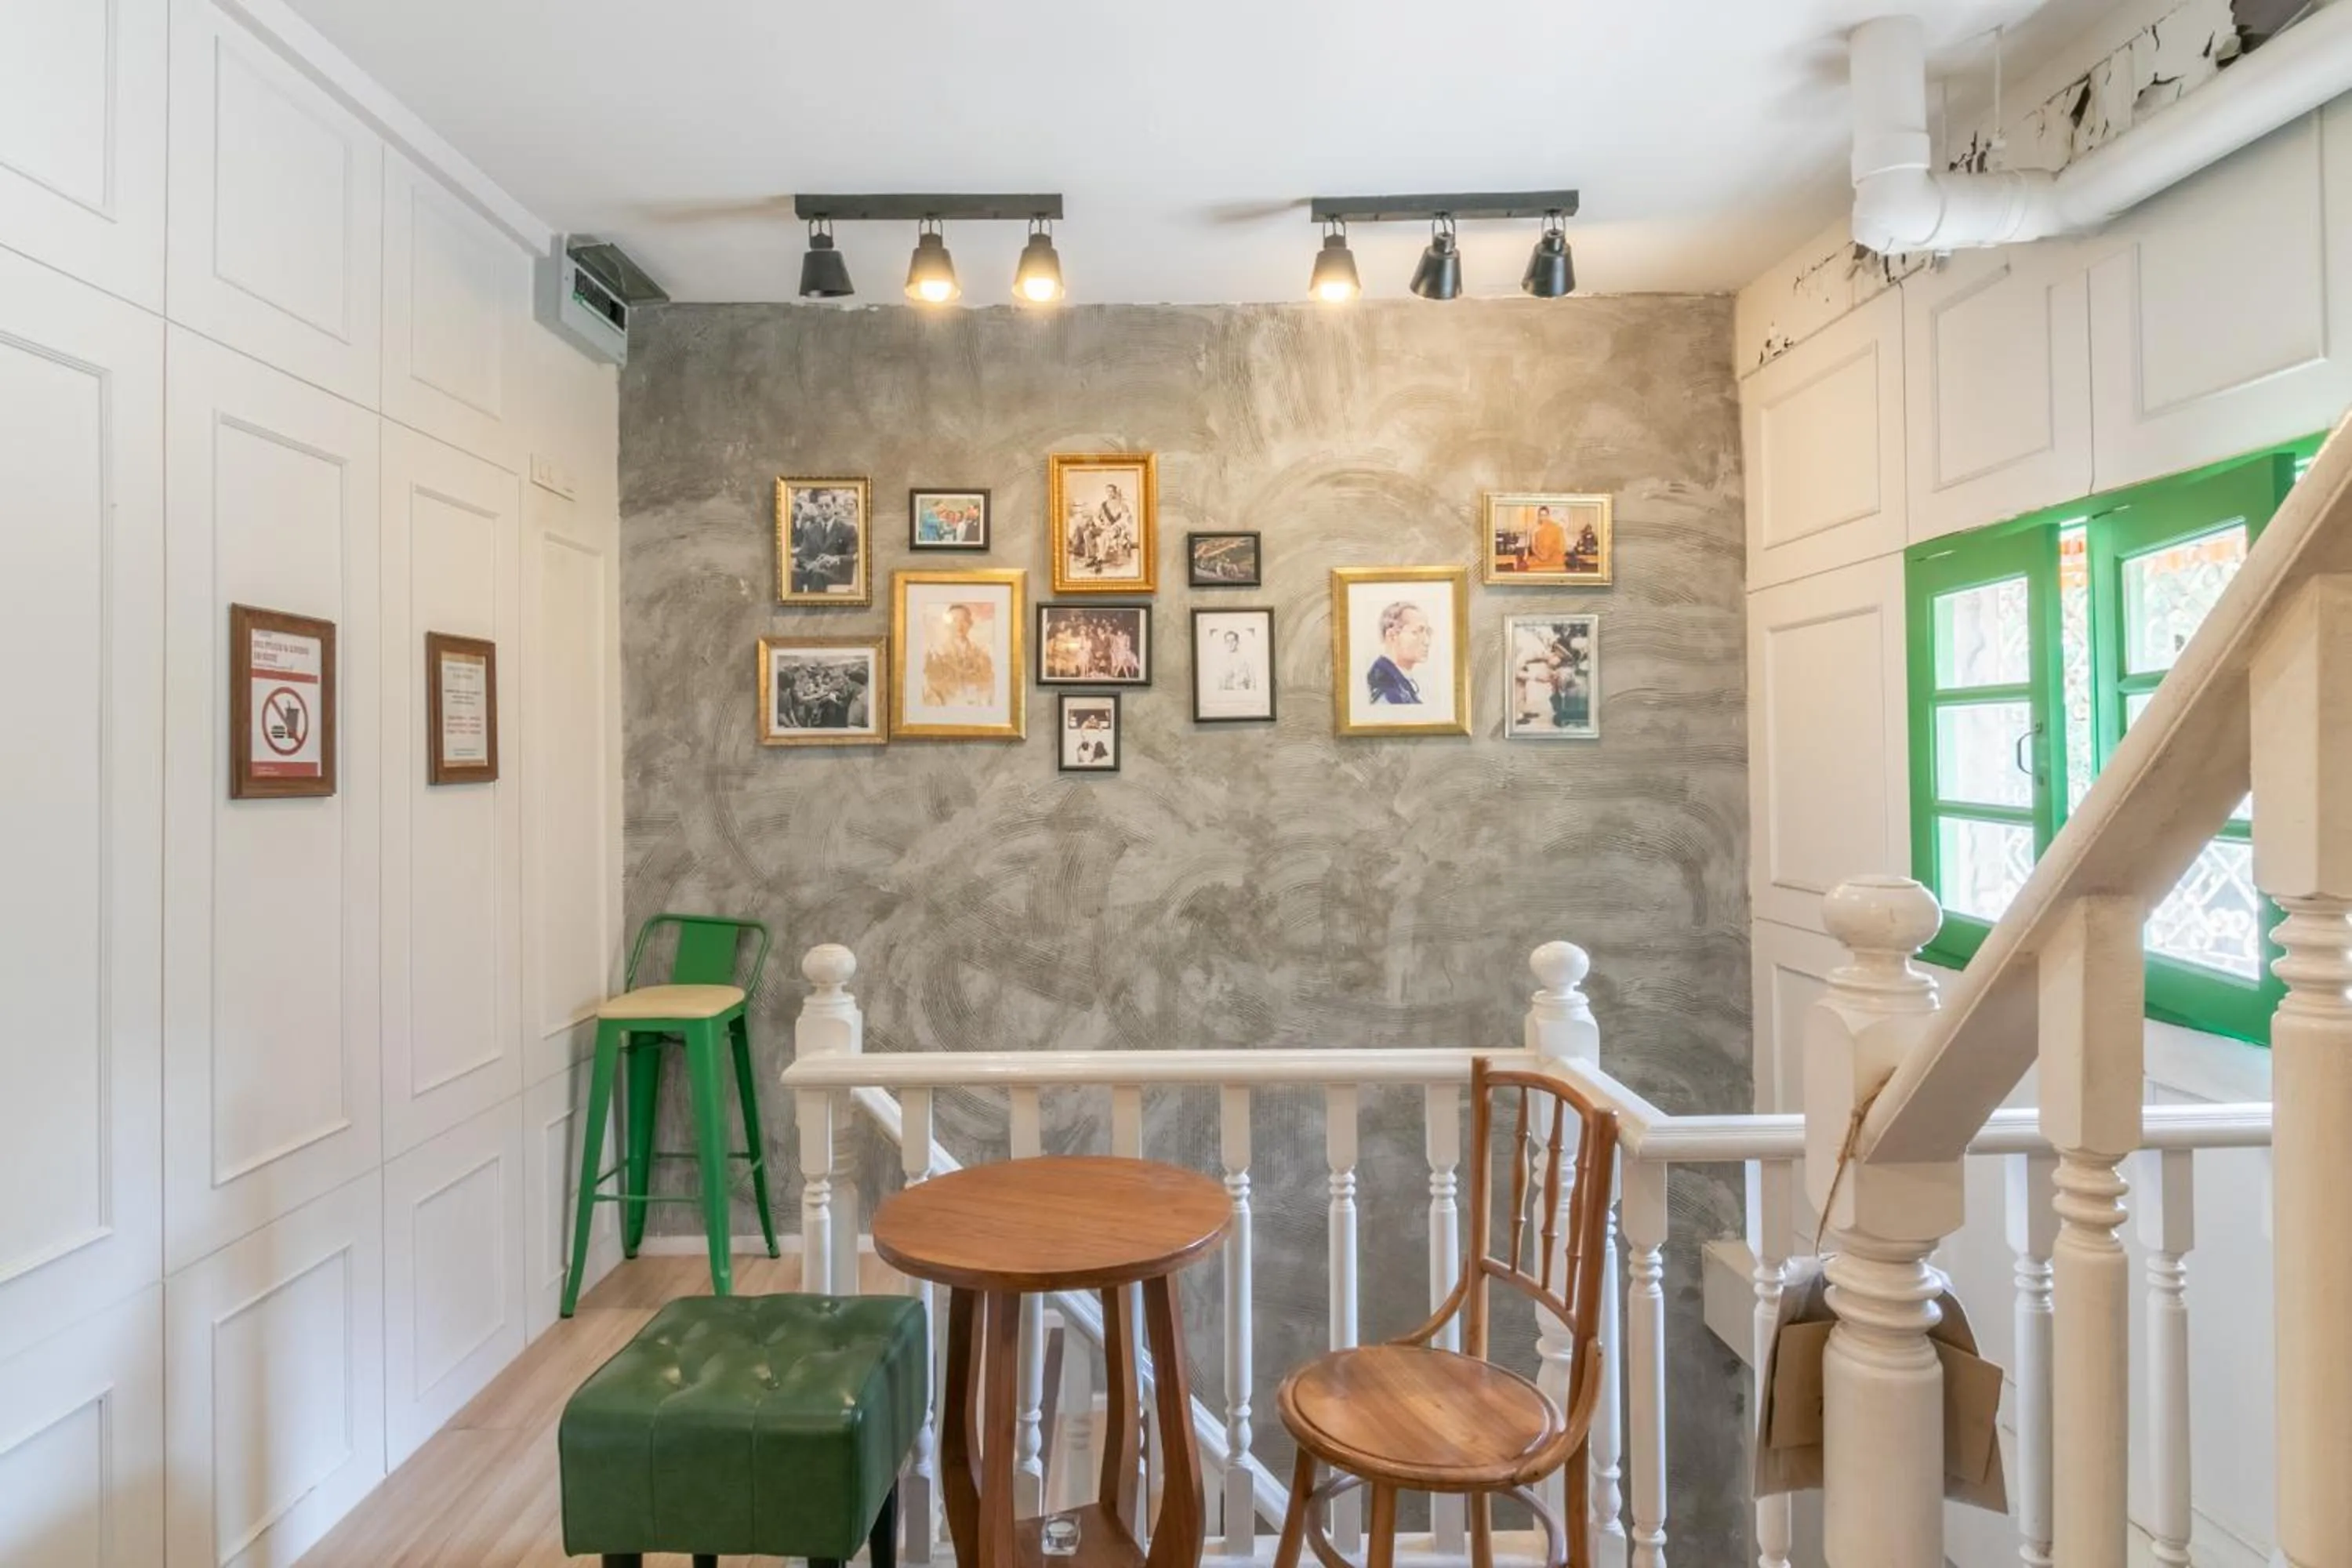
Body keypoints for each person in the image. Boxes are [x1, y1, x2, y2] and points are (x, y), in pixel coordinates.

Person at [921, 603, 993, 707]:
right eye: (954, 620)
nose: (959, 625)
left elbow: (988, 686)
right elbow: (931, 688)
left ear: (970, 624)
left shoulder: (981, 656)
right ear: (948, 624)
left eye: (963, 621)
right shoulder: (938, 655)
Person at [1366, 601, 1431, 705]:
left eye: (1428, 633)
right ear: (1392, 636)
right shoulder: (1387, 691)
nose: (1427, 641)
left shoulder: (1400, 682)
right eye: (1416, 632)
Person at [1525, 505, 1569, 574]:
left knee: (1560, 560)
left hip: (1553, 557)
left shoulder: (1555, 528)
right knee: (1530, 562)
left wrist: (1550, 554)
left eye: (1545, 515)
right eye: (1541, 515)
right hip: (1540, 558)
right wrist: (1540, 556)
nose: (1543, 518)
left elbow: (1561, 547)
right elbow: (1533, 547)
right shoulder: (1534, 530)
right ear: (1538, 516)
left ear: (1548, 516)